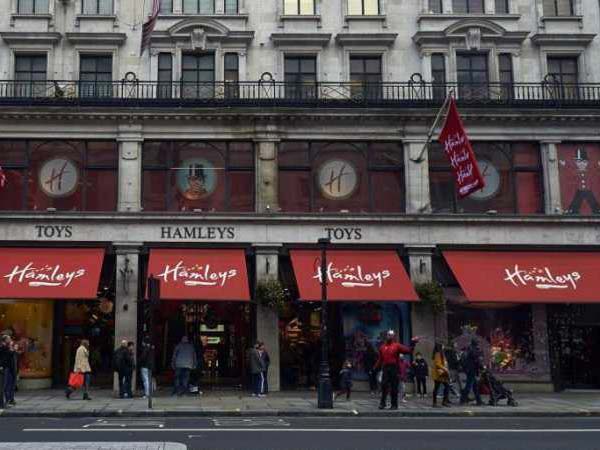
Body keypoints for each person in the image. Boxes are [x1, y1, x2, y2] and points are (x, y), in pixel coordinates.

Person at [374, 330, 419, 410]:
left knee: (394, 387)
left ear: (393, 337)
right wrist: (375, 368)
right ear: (386, 336)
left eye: (391, 335)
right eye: (389, 335)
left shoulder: (397, 346)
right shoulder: (382, 347)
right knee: (384, 386)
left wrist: (413, 343)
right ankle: (382, 403)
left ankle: (394, 405)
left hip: (394, 368)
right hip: (385, 367)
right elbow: (380, 359)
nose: (390, 336)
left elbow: (408, 350)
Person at [460, 339, 483, 406]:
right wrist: (481, 367)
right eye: (478, 343)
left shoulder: (470, 349)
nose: (478, 345)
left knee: (475, 386)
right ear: (476, 343)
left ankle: (479, 400)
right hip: (472, 370)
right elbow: (477, 360)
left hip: (470, 370)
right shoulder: (473, 350)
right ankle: (463, 399)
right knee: (469, 385)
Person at [432, 343, 451, 408]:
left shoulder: (441, 354)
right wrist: (445, 369)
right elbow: (438, 364)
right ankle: (436, 403)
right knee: (437, 387)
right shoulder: (438, 354)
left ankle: (443, 401)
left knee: (445, 386)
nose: (443, 346)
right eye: (442, 345)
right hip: (439, 374)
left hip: (441, 373)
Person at [0, 335, 16, 407]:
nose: (10, 340)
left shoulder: (7, 347)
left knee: (10, 385)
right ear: (5, 340)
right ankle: (5, 402)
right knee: (5, 386)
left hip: (11, 369)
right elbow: (8, 355)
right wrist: (12, 349)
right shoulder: (3, 348)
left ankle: (9, 400)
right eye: (9, 339)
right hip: (6, 368)